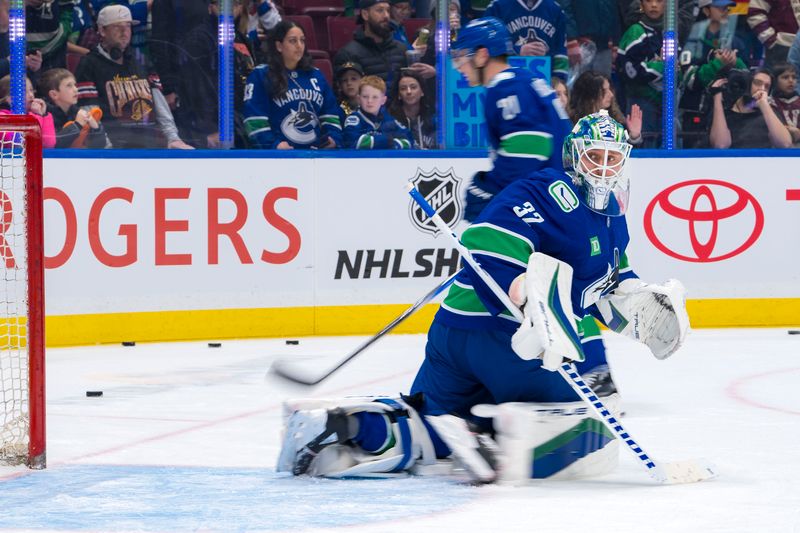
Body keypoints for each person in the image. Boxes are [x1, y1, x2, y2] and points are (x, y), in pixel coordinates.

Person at [276, 111, 690, 483]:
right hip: (507, 342)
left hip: (453, 335)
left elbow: (604, 291)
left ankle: (337, 426)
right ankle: (490, 434)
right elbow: (485, 240)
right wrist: (525, 294)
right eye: (593, 157)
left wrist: (639, 306)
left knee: (426, 426)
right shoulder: (550, 189)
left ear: (625, 161)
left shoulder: (614, 222)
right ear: (573, 157)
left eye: (611, 158)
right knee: (587, 420)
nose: (602, 167)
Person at [448, 17, 571, 221]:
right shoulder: (525, 79)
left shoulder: (506, 88)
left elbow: (531, 147)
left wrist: (491, 190)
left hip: (547, 207)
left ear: (481, 55)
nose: (458, 67)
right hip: (559, 199)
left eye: (461, 56)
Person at [74, 5, 194, 149]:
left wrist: (173, 138)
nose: (125, 32)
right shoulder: (89, 63)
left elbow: (159, 102)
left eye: (128, 26)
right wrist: (106, 147)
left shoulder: (140, 59)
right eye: (117, 27)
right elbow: (90, 112)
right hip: (112, 148)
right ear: (102, 30)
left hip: (147, 146)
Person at [243, 20, 343, 149]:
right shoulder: (261, 75)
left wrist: (333, 138)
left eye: (302, 40)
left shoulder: (316, 75)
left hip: (315, 156)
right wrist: (274, 145)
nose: (299, 46)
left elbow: (330, 115)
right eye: (292, 41)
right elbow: (253, 119)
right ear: (279, 46)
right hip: (277, 158)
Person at [616, 0, 666, 147]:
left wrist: (662, 66)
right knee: (644, 148)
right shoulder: (635, 31)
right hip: (641, 102)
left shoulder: (669, 33)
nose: (654, 5)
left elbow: (678, 70)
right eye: (649, 0)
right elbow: (632, 72)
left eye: (659, 1)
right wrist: (662, 65)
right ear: (641, 5)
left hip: (667, 103)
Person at [484, 0, 569, 80]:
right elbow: (487, 48)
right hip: (505, 83)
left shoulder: (555, 9)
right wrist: (517, 50)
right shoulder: (497, 7)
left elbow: (561, 52)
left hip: (545, 85)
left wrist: (559, 80)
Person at [708, 67, 792, 148]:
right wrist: (717, 97)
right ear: (747, 84)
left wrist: (764, 105)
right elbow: (720, 145)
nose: (762, 89)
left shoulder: (770, 114)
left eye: (767, 87)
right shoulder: (724, 112)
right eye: (757, 83)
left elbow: (785, 144)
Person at [333, 0, 407, 87]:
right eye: (380, 10)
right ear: (365, 14)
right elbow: (342, 95)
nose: (386, 15)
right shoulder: (348, 54)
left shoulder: (401, 49)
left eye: (388, 10)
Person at [38, 67, 109, 148]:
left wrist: (96, 128)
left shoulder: (78, 112)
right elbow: (54, 145)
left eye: (75, 85)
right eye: (69, 86)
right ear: (54, 94)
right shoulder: (45, 116)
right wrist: (77, 125)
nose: (75, 89)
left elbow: (99, 146)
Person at [568, 71, 642, 145]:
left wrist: (634, 136)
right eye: (604, 91)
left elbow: (627, 151)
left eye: (609, 89)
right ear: (590, 94)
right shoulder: (571, 124)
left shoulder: (617, 122)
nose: (611, 94)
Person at [343, 74, 413, 148]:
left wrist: (393, 144)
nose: (370, 101)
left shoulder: (389, 120)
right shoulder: (354, 119)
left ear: (383, 100)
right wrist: (387, 141)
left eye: (375, 97)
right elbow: (351, 141)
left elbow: (409, 141)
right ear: (359, 99)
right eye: (365, 97)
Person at [0, 75, 56, 148]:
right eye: (24, 91)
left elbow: (49, 144)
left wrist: (43, 115)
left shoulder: (34, 115)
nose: (31, 95)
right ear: (9, 98)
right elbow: (20, 143)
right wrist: (36, 117)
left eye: (31, 90)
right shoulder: (2, 117)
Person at [388, 69, 436, 148]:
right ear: (399, 95)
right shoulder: (390, 120)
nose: (409, 92)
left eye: (413, 87)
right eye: (403, 88)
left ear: (422, 92)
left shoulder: (433, 118)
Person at [747, 0, 800, 70]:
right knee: (779, 78)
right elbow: (755, 12)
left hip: (787, 44)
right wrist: (771, 40)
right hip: (783, 46)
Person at [770, 62, 800, 144]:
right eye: (785, 77)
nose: (791, 81)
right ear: (775, 81)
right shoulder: (769, 103)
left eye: (794, 77)